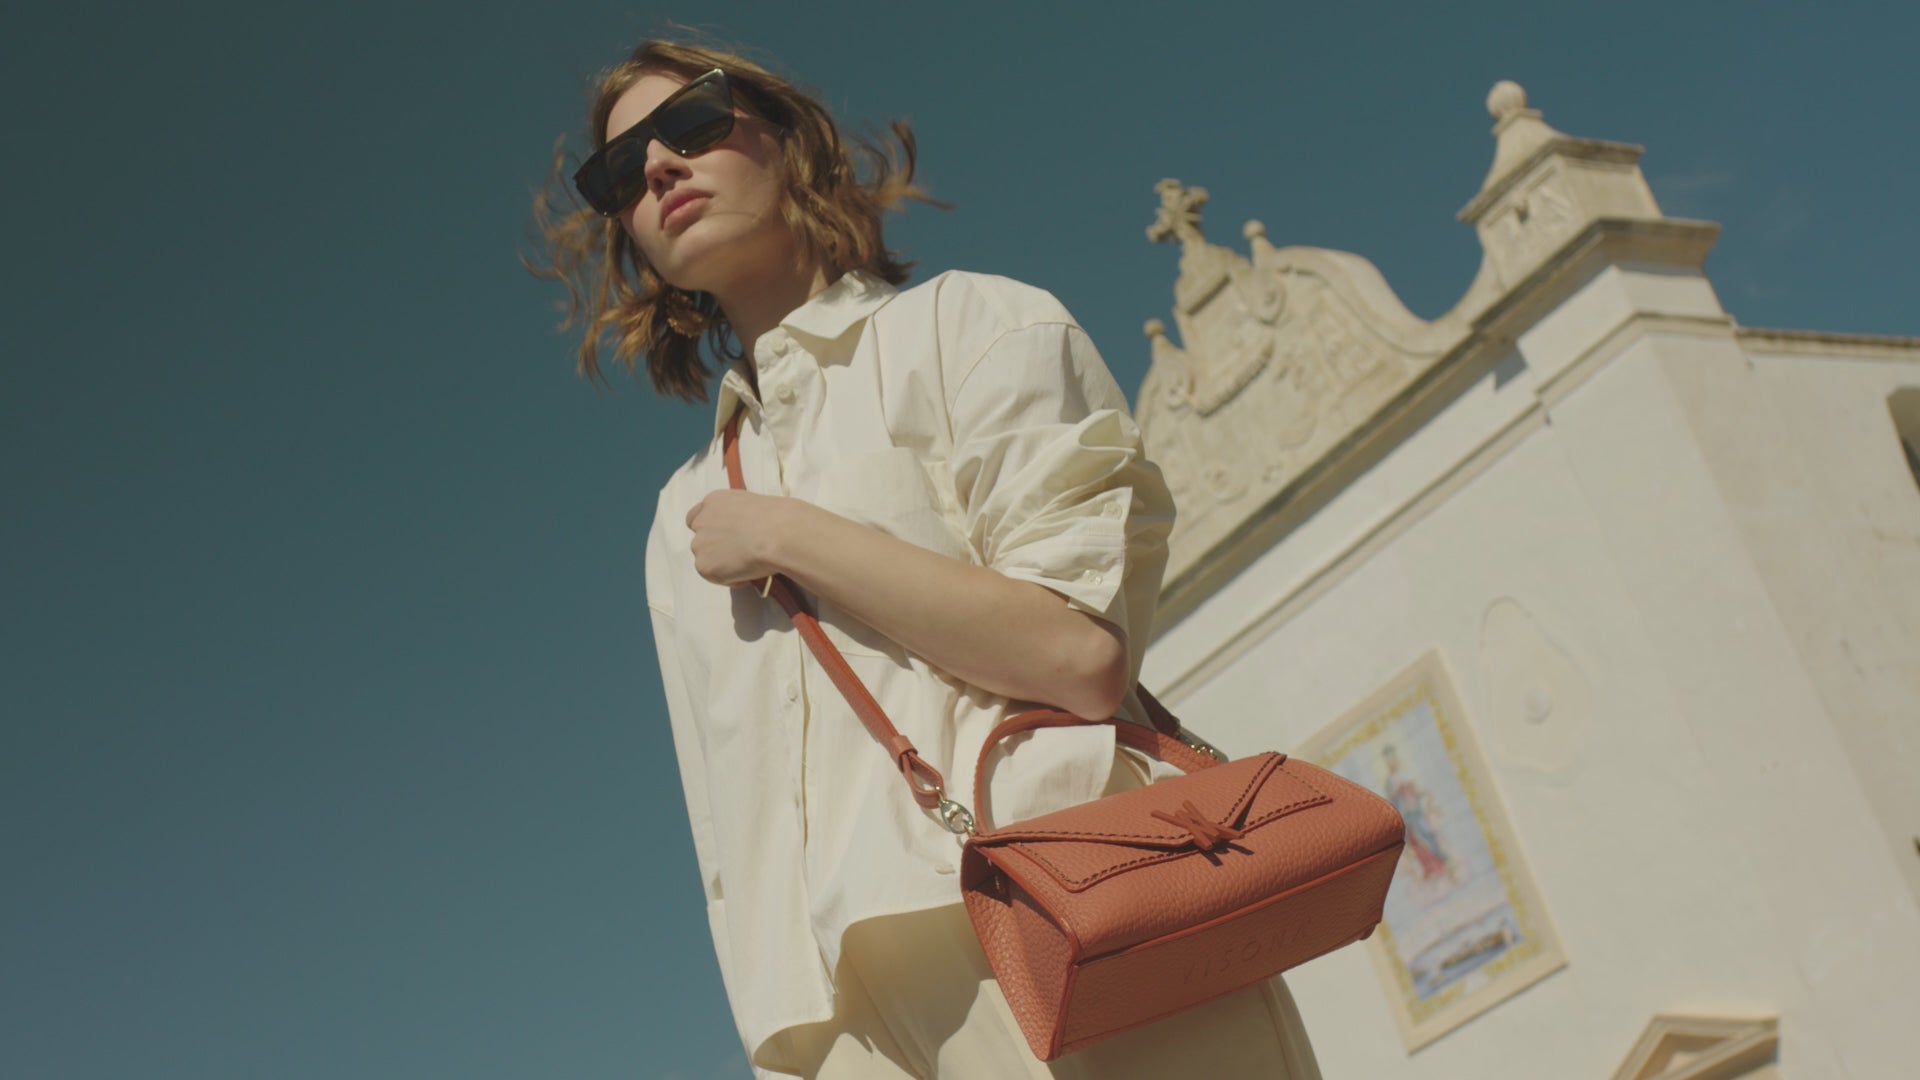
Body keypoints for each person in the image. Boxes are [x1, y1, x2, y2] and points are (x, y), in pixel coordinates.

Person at [528, 38, 1323, 1080]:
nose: (659, 168)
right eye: (620, 173)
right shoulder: (680, 516)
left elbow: (1078, 654)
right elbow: (730, 839)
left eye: (692, 122)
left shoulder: (970, 326)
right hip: (844, 1023)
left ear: (789, 138)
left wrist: (784, 534)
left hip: (1084, 921)